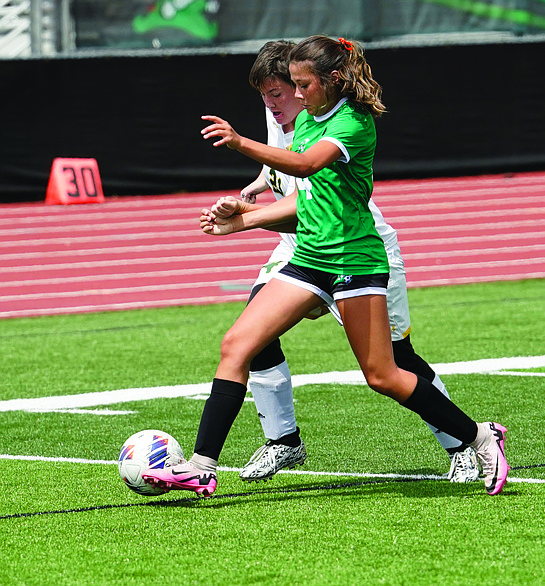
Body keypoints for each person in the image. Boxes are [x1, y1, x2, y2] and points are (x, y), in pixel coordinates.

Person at [142, 35, 509, 497]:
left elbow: (304, 166)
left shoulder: (353, 122)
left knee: (384, 374)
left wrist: (239, 143)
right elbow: (304, 200)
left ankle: (477, 438)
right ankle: (202, 465)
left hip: (355, 258)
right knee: (237, 344)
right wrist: (243, 221)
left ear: (332, 79)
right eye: (288, 87)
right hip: (310, 256)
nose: (294, 96)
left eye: (301, 85)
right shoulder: (309, 120)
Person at [228, 39, 480, 484]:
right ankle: (282, 442)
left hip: (355, 243)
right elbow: (285, 169)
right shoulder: (286, 113)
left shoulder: (328, 114)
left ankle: (465, 444)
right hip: (304, 245)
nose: (273, 103)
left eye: (281, 92)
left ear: (311, 84)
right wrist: (256, 188)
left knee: (393, 362)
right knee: (253, 332)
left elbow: (305, 168)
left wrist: (248, 214)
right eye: (264, 95)